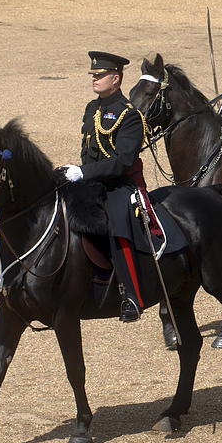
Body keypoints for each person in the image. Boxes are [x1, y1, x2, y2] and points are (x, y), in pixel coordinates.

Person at [55, 51, 150, 322]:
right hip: (90, 182)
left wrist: (83, 172)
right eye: (94, 75)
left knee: (118, 224)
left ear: (116, 79)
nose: (95, 79)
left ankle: (131, 295)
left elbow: (122, 161)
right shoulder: (91, 108)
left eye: (100, 75)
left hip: (121, 185)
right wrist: (76, 173)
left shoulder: (130, 115)